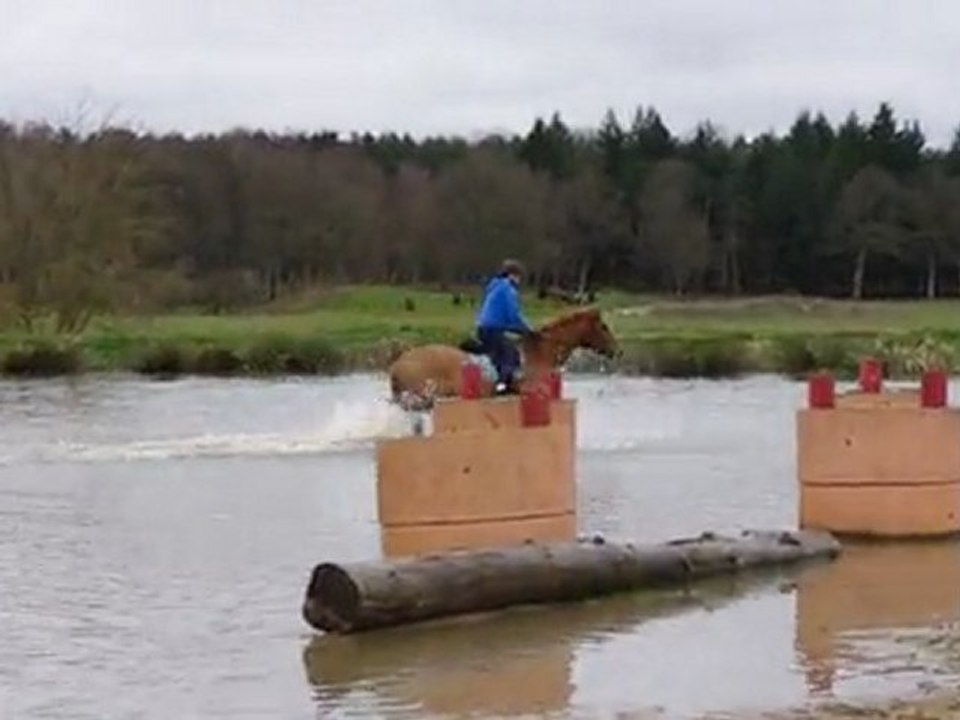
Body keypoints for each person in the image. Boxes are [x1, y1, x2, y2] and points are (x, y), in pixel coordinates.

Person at [474, 259, 537, 393]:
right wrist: (528, 329)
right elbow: (513, 315)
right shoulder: (508, 289)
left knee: (500, 354)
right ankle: (502, 386)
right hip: (492, 329)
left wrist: (519, 328)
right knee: (510, 354)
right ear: (513, 275)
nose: (519, 281)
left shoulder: (495, 286)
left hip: (484, 327)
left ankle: (499, 381)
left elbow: (505, 317)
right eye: (519, 277)